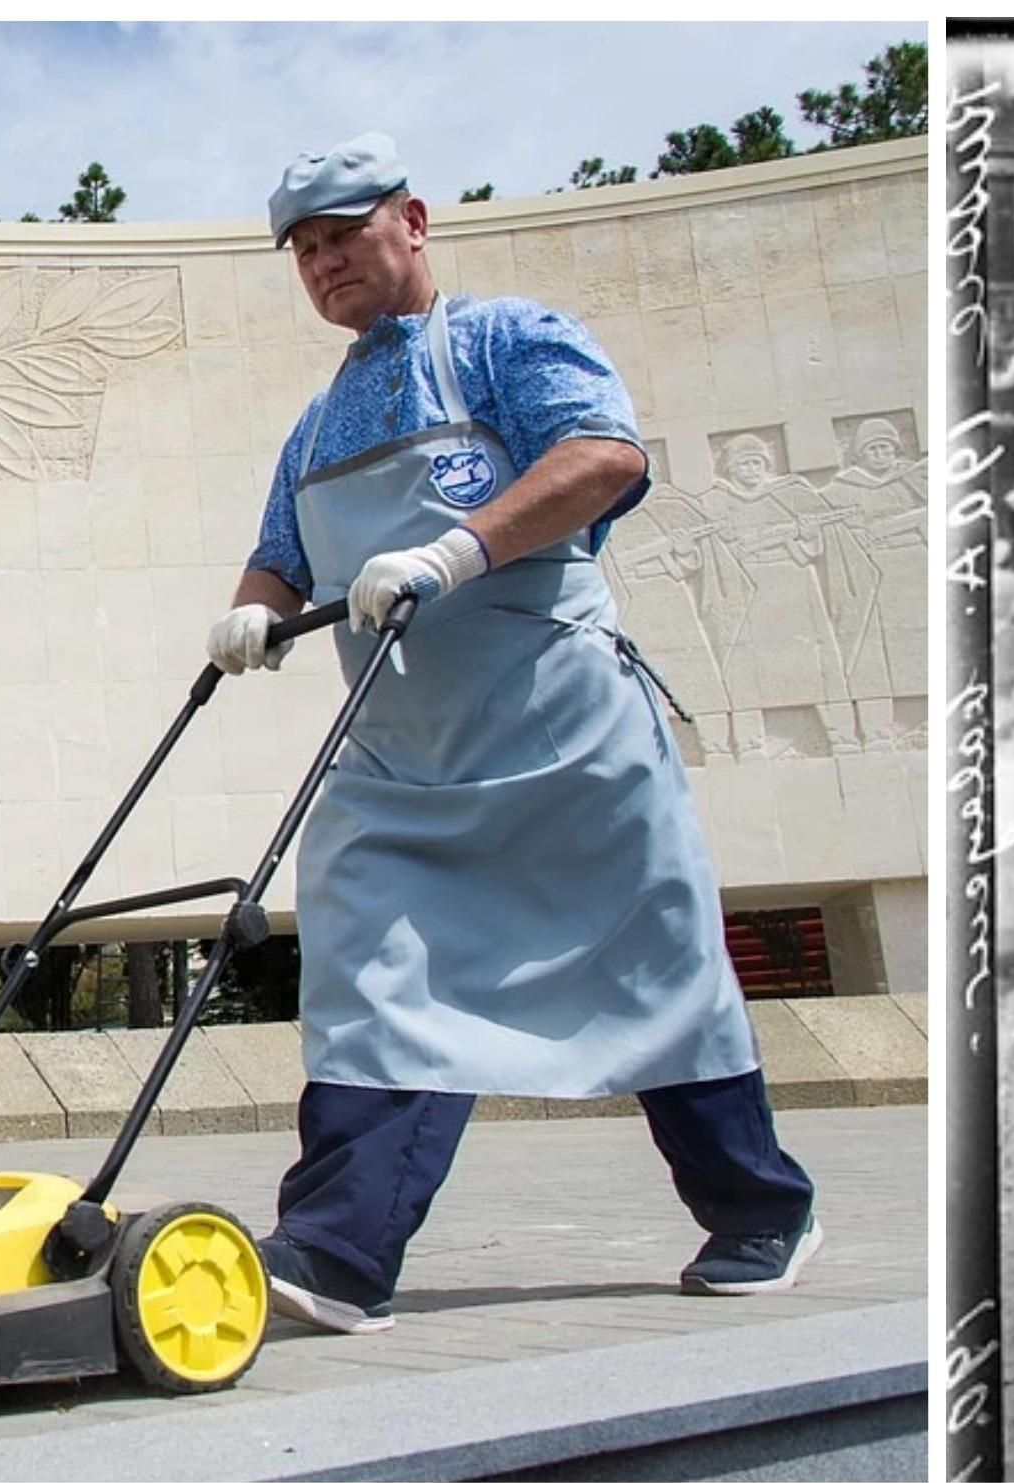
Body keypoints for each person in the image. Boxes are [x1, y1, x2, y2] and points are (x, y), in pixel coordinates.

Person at [203, 133, 818, 1334]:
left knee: (656, 975)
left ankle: (758, 1211)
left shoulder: (507, 341)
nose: (326, 263)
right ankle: (337, 1251)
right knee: (373, 975)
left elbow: (602, 457)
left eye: (346, 235)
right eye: (307, 250)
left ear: (414, 220)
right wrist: (252, 617)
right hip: (400, 759)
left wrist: (456, 546)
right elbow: (283, 554)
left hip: (562, 739)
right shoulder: (317, 424)